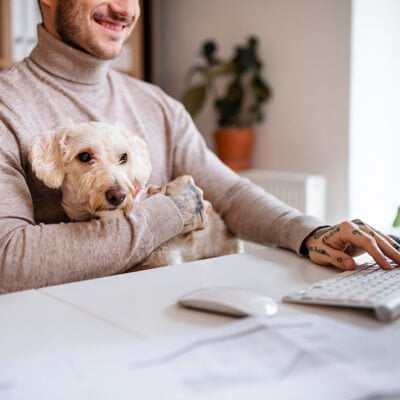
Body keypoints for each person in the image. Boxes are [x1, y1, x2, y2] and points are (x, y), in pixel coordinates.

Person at [0, 0, 398, 294]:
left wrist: (313, 233)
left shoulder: (157, 104)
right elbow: (9, 260)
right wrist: (167, 213)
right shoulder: (7, 107)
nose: (125, 8)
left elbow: (229, 193)